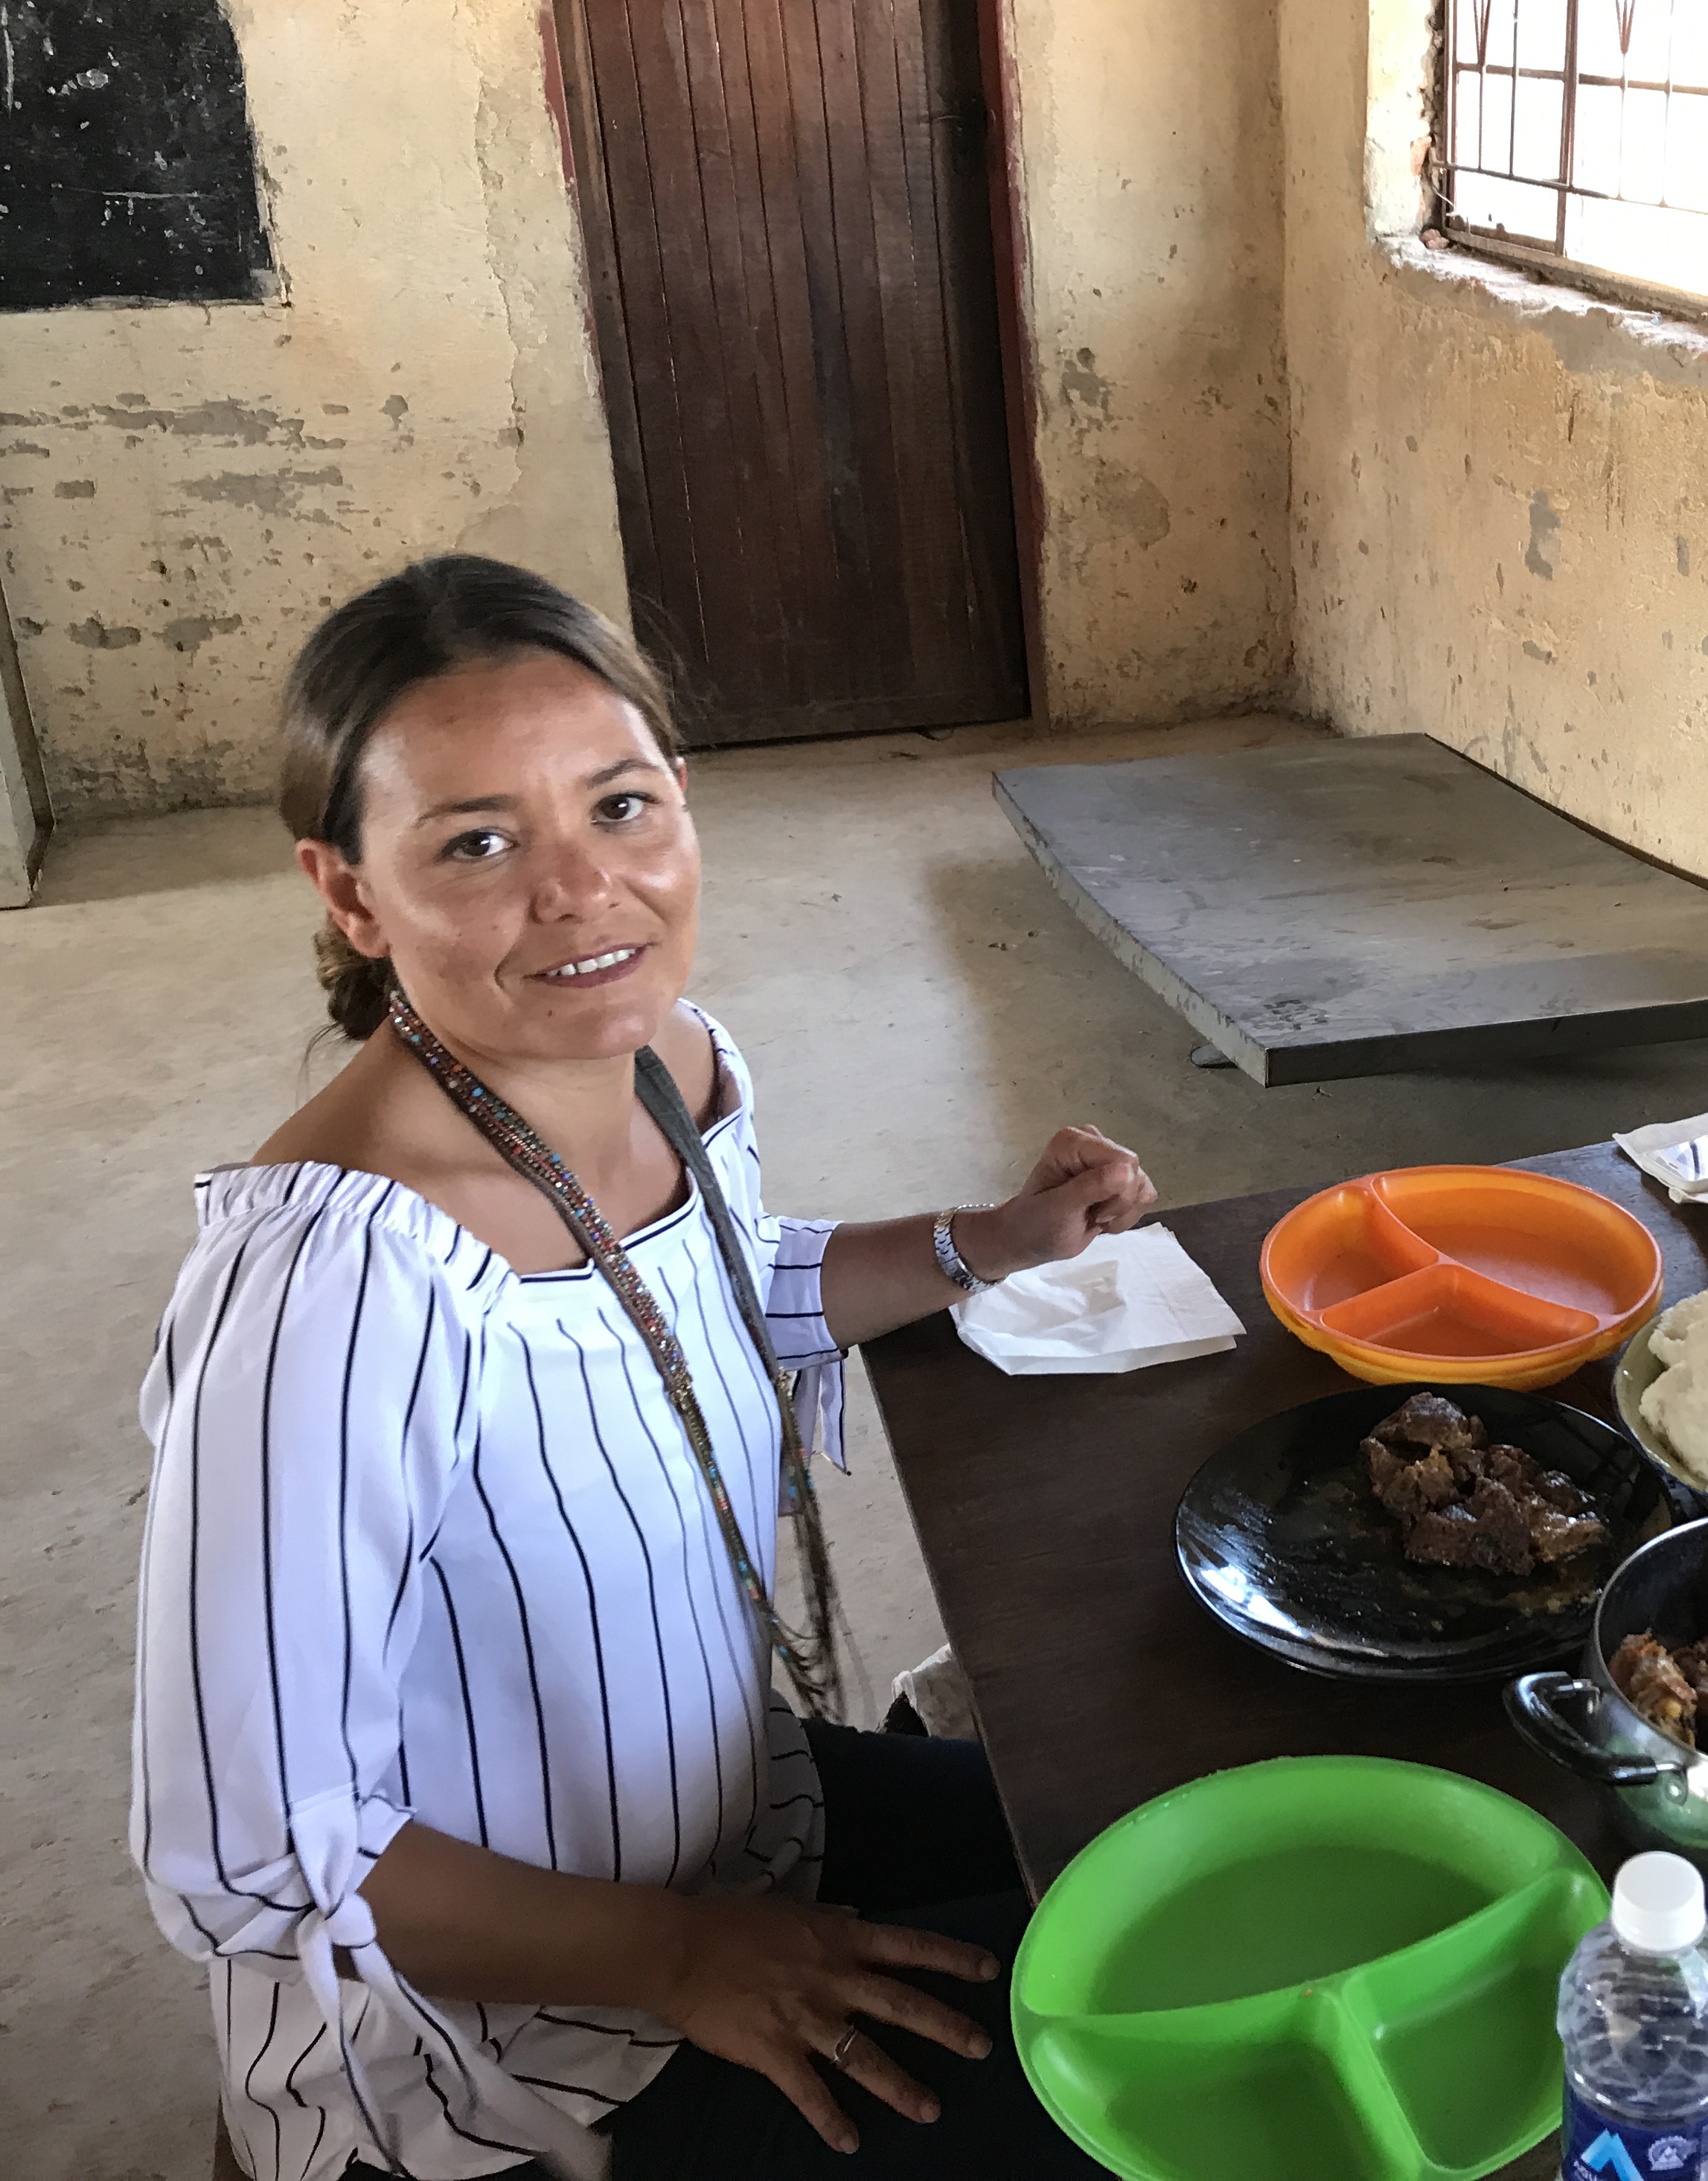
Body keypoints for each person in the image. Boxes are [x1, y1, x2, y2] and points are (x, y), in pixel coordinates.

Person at [132, 556, 1152, 2180]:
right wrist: (681, 1961)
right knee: (1168, 2068)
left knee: (1170, 1821)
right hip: (510, 2061)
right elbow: (247, 1848)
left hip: (742, 1824)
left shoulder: (665, 1065)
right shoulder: (339, 1287)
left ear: (680, 796)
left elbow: (703, 1298)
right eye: (476, 843)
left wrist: (986, 1240)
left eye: (618, 808)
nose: (581, 891)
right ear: (350, 893)